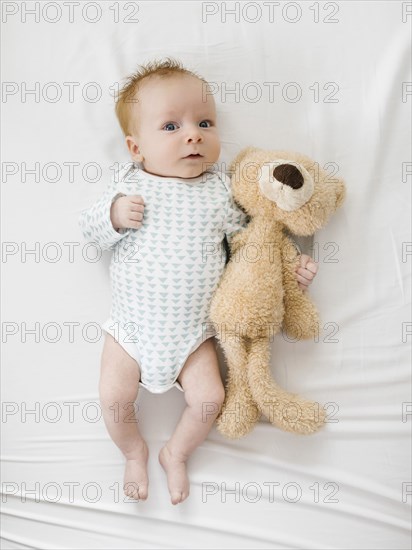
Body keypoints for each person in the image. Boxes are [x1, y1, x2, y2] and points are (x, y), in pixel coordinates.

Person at [78, 58, 318, 505]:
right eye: (171, 126)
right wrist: (112, 215)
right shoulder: (130, 186)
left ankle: (176, 453)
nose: (193, 134)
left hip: (194, 332)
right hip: (130, 329)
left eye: (204, 123)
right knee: (113, 396)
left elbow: (253, 248)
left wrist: (289, 273)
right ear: (136, 148)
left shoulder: (222, 191)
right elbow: (89, 229)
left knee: (210, 398)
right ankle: (133, 451)